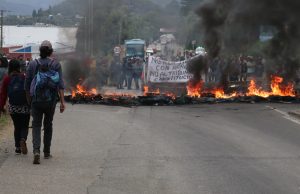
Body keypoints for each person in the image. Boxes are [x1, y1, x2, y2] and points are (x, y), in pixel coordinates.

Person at [25, 40, 66, 165]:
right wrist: (63, 102)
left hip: (36, 101)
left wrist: (29, 102)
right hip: (50, 101)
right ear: (51, 51)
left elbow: (27, 86)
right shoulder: (56, 65)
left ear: (40, 51)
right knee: (48, 125)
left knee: (36, 125)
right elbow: (60, 85)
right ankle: (47, 152)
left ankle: (36, 151)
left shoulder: (32, 64)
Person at [0, 59, 30, 155]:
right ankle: (23, 139)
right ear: (19, 67)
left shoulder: (7, 79)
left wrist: (2, 107)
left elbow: (3, 95)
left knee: (17, 127)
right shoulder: (24, 77)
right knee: (24, 126)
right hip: (24, 107)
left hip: (13, 107)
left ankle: (17, 147)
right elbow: (28, 91)